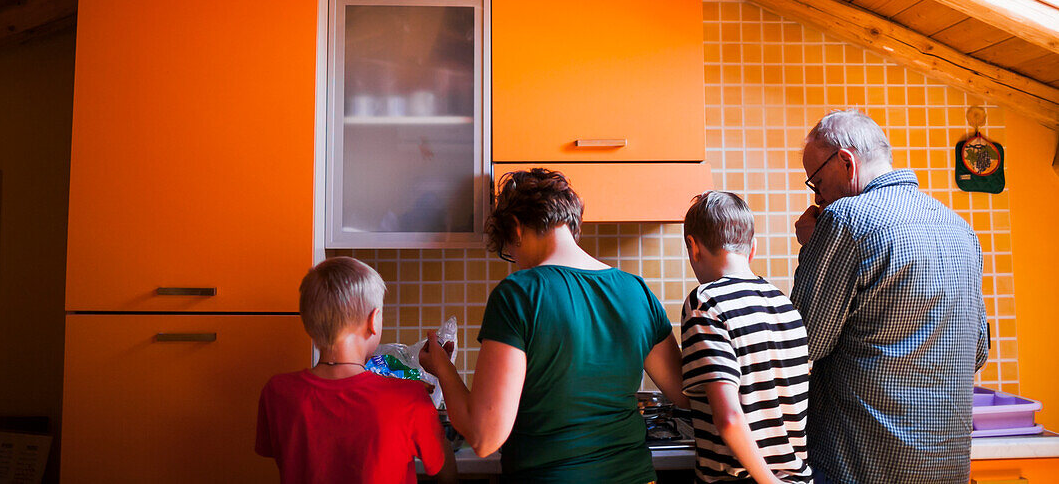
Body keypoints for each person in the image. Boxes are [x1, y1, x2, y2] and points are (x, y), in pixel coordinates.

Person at [419, 168, 686, 483]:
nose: (515, 260)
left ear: (516, 228)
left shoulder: (519, 293)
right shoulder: (637, 291)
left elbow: (485, 437)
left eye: (509, 250)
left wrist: (442, 367)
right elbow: (685, 392)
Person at [792, 109, 988, 483]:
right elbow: (978, 349)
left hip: (864, 466)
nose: (818, 197)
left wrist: (811, 246)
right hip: (947, 469)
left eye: (816, 183)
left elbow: (806, 341)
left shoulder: (845, 220)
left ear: (846, 162)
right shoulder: (959, 228)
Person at [255, 257, 457, 483]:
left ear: (307, 322)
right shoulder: (408, 396)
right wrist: (438, 378)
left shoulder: (277, 392)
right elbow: (444, 471)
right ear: (374, 320)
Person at [680, 191, 812, 484]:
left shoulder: (706, 303)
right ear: (752, 248)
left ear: (693, 246)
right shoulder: (784, 306)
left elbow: (728, 418)